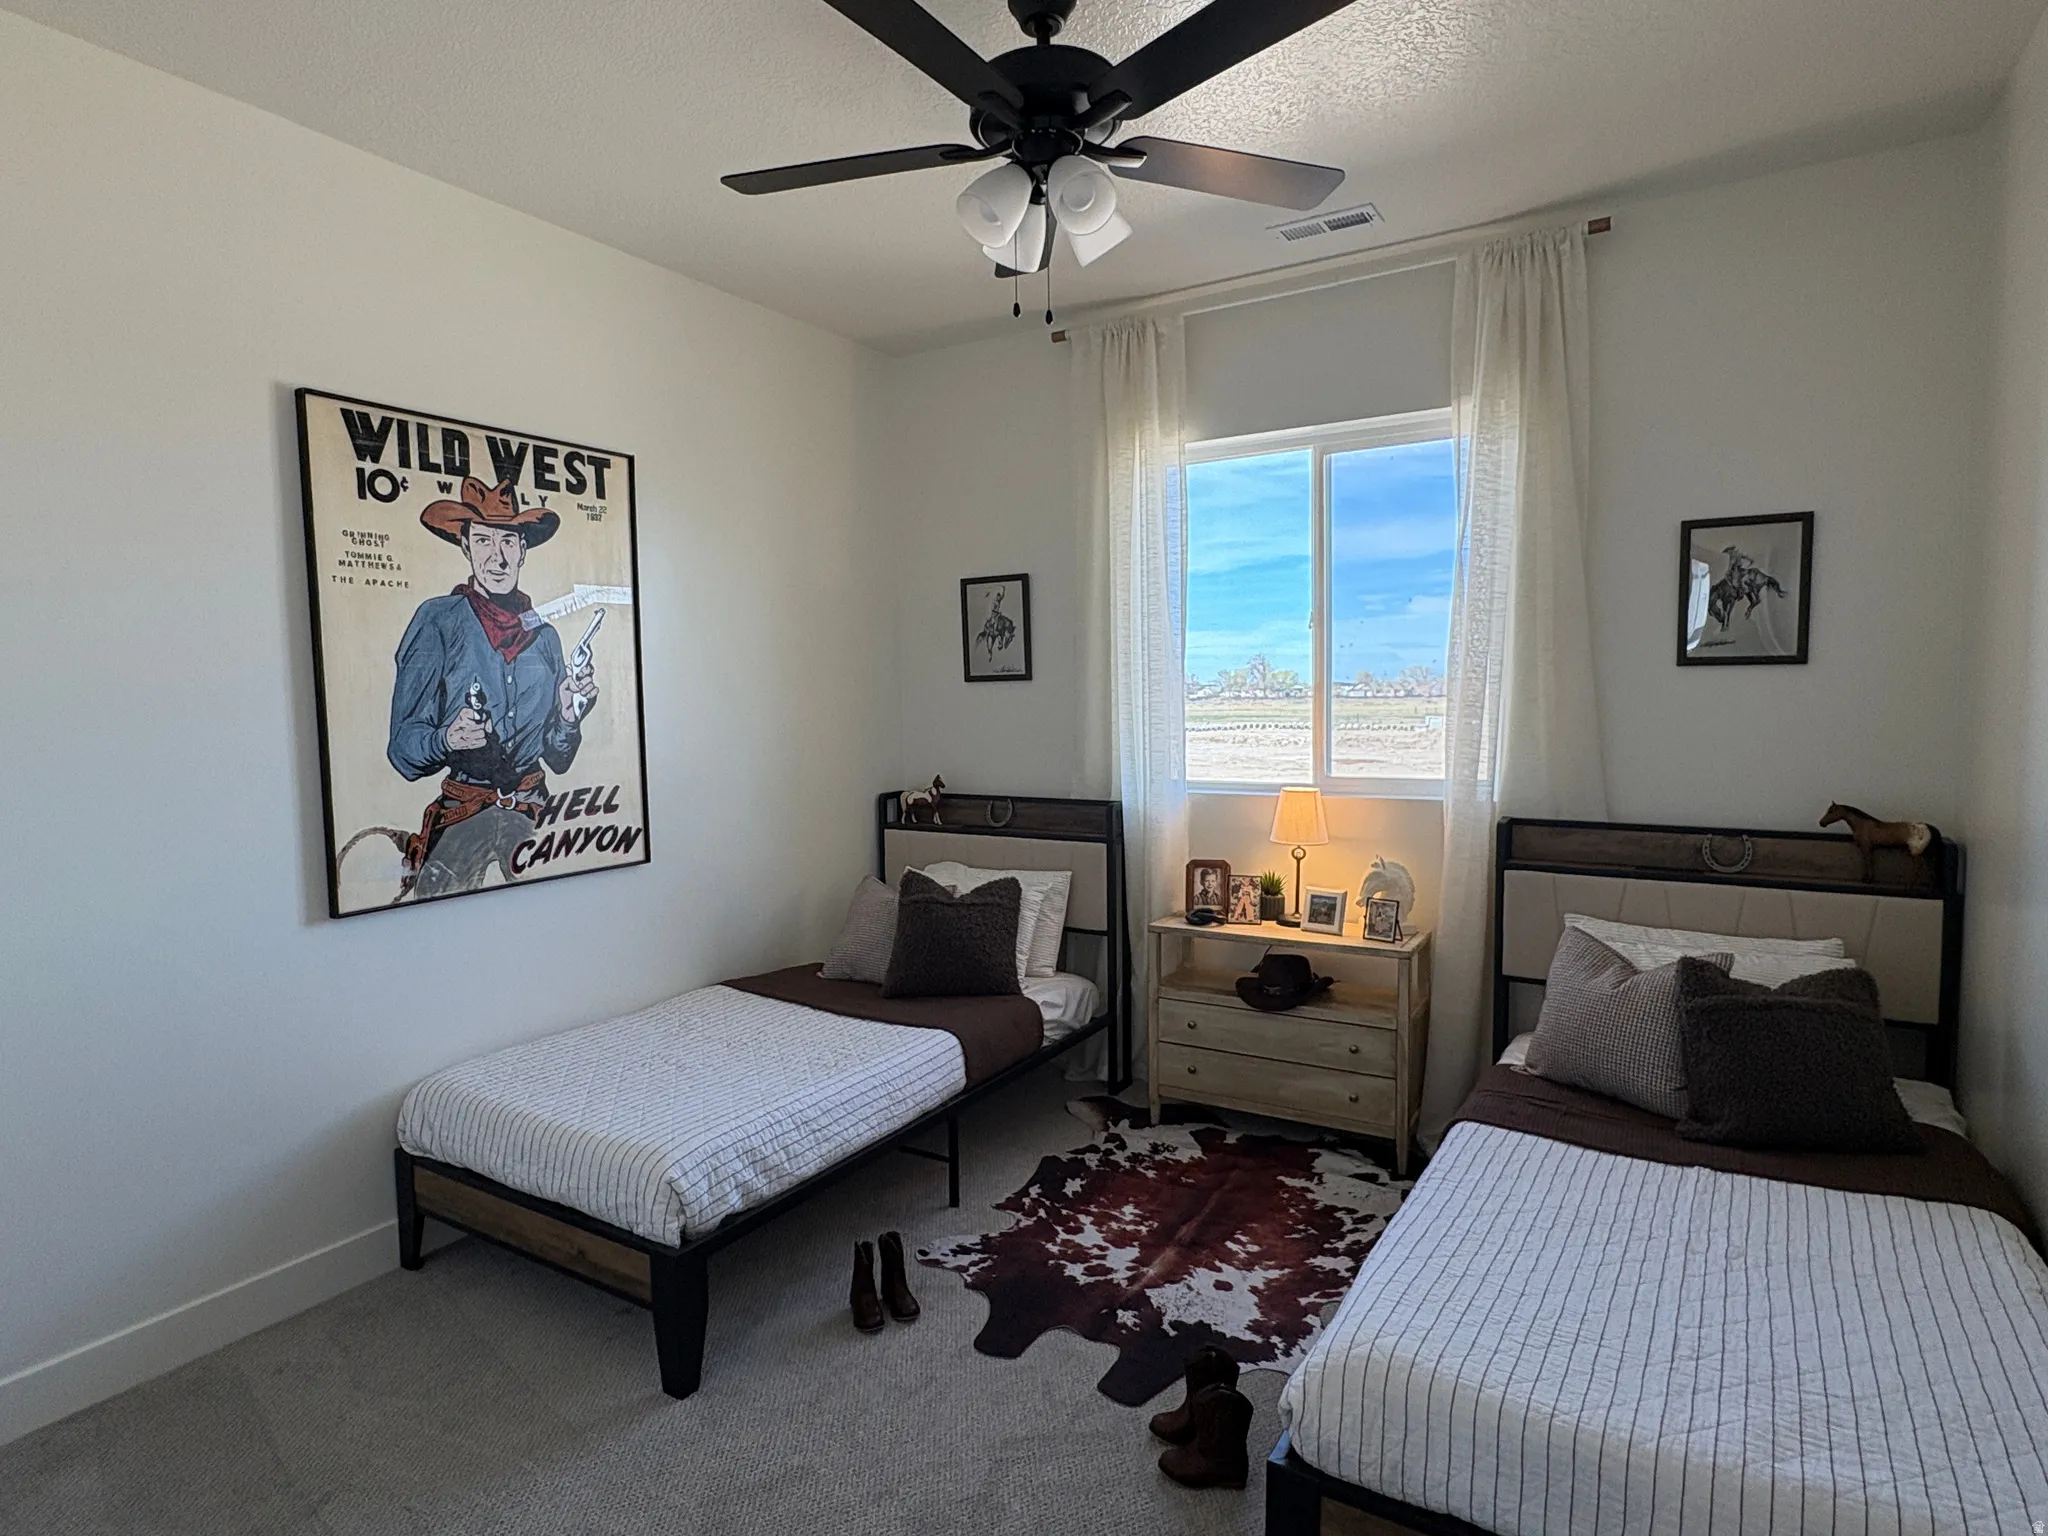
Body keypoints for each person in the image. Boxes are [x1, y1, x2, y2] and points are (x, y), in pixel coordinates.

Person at [387, 476, 597, 897]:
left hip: (534, 821)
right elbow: (403, 751)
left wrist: (569, 716)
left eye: (507, 542)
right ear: (466, 547)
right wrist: (448, 737)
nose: (496, 557)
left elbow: (557, 758)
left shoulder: (545, 636)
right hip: (462, 822)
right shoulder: (437, 622)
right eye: (483, 541)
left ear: (522, 549)